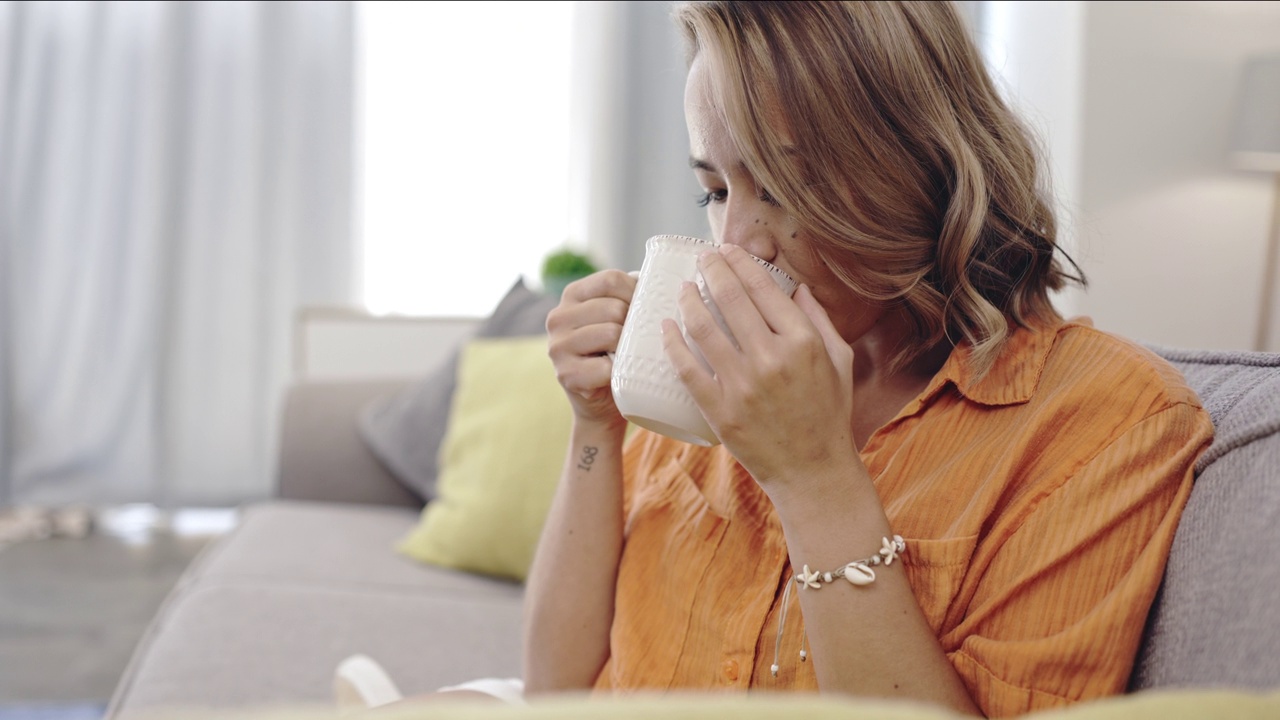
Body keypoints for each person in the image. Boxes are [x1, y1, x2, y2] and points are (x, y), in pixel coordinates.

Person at [337, 1, 1212, 717]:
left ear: (921, 165)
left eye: (787, 187)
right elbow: (556, 687)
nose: (741, 243)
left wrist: (813, 474)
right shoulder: (703, 359)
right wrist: (594, 424)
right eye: (715, 189)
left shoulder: (1108, 423)